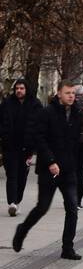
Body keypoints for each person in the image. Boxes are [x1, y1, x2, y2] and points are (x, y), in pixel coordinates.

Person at [12, 77, 82, 261]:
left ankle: (67, 247)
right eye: (67, 93)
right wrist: (50, 161)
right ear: (59, 93)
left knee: (72, 209)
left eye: (73, 93)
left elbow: (75, 141)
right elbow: (39, 138)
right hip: (48, 169)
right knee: (42, 207)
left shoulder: (77, 113)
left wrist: (76, 165)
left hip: (68, 171)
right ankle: (22, 229)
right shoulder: (47, 113)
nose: (71, 96)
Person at [0, 78, 40, 215]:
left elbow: (40, 125)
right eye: (17, 88)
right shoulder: (7, 103)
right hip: (9, 146)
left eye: (21, 88)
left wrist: (35, 146)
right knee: (11, 175)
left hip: (26, 148)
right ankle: (12, 202)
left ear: (26, 89)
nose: (19, 91)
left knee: (22, 176)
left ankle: (17, 200)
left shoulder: (35, 104)